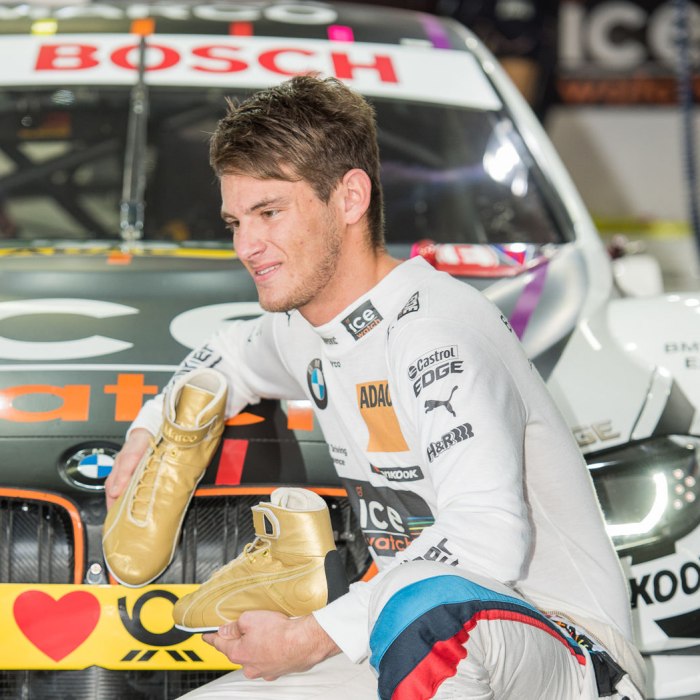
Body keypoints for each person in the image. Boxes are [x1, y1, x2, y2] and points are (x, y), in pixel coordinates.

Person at [105, 74, 645, 699]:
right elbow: (226, 354)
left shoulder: (438, 332)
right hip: (404, 641)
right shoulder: (307, 328)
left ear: (350, 198)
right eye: (235, 221)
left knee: (426, 614)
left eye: (269, 213)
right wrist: (149, 430)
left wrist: (313, 635)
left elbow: (486, 539)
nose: (247, 246)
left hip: (566, 649)